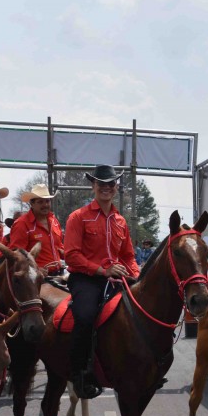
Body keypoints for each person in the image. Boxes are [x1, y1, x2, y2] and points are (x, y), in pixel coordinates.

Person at [64, 164, 139, 399]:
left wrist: (135, 275)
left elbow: (128, 256)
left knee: (138, 312)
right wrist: (102, 270)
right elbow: (72, 255)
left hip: (116, 277)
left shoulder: (120, 221)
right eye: (101, 184)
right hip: (86, 279)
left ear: (116, 188)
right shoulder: (78, 217)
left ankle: (140, 366)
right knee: (85, 316)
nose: (106, 188)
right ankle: (80, 372)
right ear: (93, 186)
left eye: (110, 184)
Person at [9, 184, 65, 275]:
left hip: (58, 273)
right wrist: (36, 269)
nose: (45, 205)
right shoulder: (21, 224)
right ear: (32, 203)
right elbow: (16, 256)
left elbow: (59, 247)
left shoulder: (54, 220)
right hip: (34, 279)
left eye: (47, 201)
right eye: (40, 202)